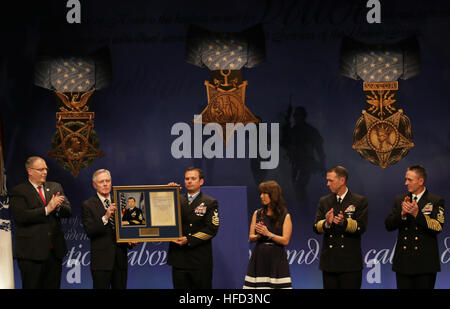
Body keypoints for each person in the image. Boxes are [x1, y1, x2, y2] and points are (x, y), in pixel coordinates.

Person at [10, 156, 72, 289]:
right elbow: (21, 216)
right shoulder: (19, 191)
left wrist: (58, 207)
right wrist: (47, 209)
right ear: (30, 171)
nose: (45, 172)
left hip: (54, 252)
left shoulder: (55, 187)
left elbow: (68, 211)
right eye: (40, 169)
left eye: (46, 169)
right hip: (31, 254)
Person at [385, 165, 445, 289]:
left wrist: (417, 214)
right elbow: (389, 225)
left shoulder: (435, 200)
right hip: (403, 263)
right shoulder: (400, 199)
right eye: (406, 179)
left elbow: (438, 227)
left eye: (409, 180)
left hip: (425, 264)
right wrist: (401, 215)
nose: (405, 183)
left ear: (420, 181)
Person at [313, 166, 368, 289]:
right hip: (329, 264)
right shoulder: (324, 201)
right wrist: (327, 223)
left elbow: (361, 227)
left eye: (331, 181)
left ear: (342, 180)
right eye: (327, 180)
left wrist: (344, 223)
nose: (327, 184)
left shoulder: (359, 201)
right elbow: (316, 228)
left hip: (350, 264)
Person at [167, 167, 219, 289]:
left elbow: (212, 229)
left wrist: (189, 240)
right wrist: (168, 193)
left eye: (193, 178)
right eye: (187, 179)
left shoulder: (210, 202)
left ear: (201, 181)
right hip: (179, 259)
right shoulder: (176, 199)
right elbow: (162, 215)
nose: (189, 181)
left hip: (199, 260)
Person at [81, 169, 133, 289]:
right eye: (101, 182)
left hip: (120, 261)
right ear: (95, 185)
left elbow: (128, 227)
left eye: (107, 181)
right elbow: (90, 231)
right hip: (101, 263)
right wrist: (105, 217)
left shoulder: (121, 201)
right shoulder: (88, 205)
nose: (105, 184)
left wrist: (131, 240)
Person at [243, 180, 293, 289]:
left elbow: (285, 240)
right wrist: (258, 236)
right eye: (260, 193)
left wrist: (268, 234)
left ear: (273, 195)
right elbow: (251, 237)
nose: (261, 196)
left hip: (277, 258)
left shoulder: (285, 216)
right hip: (259, 257)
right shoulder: (258, 213)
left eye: (264, 193)